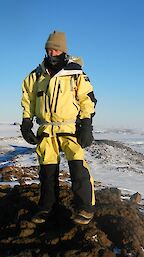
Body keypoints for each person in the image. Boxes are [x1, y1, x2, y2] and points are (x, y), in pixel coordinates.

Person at [20, 31, 97, 225]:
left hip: (70, 128)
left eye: (55, 49)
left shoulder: (75, 73)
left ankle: (85, 208)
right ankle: (47, 207)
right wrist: (26, 122)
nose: (51, 53)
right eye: (48, 50)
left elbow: (87, 99)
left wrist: (86, 124)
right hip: (46, 129)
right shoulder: (35, 75)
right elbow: (27, 100)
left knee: (78, 168)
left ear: (63, 50)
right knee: (47, 171)